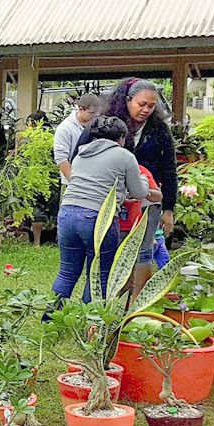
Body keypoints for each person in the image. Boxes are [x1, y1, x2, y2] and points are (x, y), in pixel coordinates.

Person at [52, 115, 159, 303]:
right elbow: (139, 192)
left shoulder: (80, 154)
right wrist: (142, 178)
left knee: (67, 273)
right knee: (98, 276)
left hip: (67, 214)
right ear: (121, 138)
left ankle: (50, 321)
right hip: (97, 218)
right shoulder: (124, 156)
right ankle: (88, 324)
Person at [84, 79, 178, 292]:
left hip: (149, 199)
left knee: (144, 250)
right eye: (141, 104)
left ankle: (138, 303)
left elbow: (169, 169)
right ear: (127, 100)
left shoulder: (159, 129)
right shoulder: (107, 125)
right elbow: (80, 154)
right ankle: (116, 296)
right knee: (116, 249)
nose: (146, 110)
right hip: (112, 201)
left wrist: (169, 209)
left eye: (151, 106)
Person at [53, 94, 104, 184]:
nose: (94, 116)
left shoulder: (97, 125)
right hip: (71, 183)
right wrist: (74, 183)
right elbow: (61, 159)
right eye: (91, 113)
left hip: (94, 181)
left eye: (96, 113)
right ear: (80, 109)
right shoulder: (65, 128)